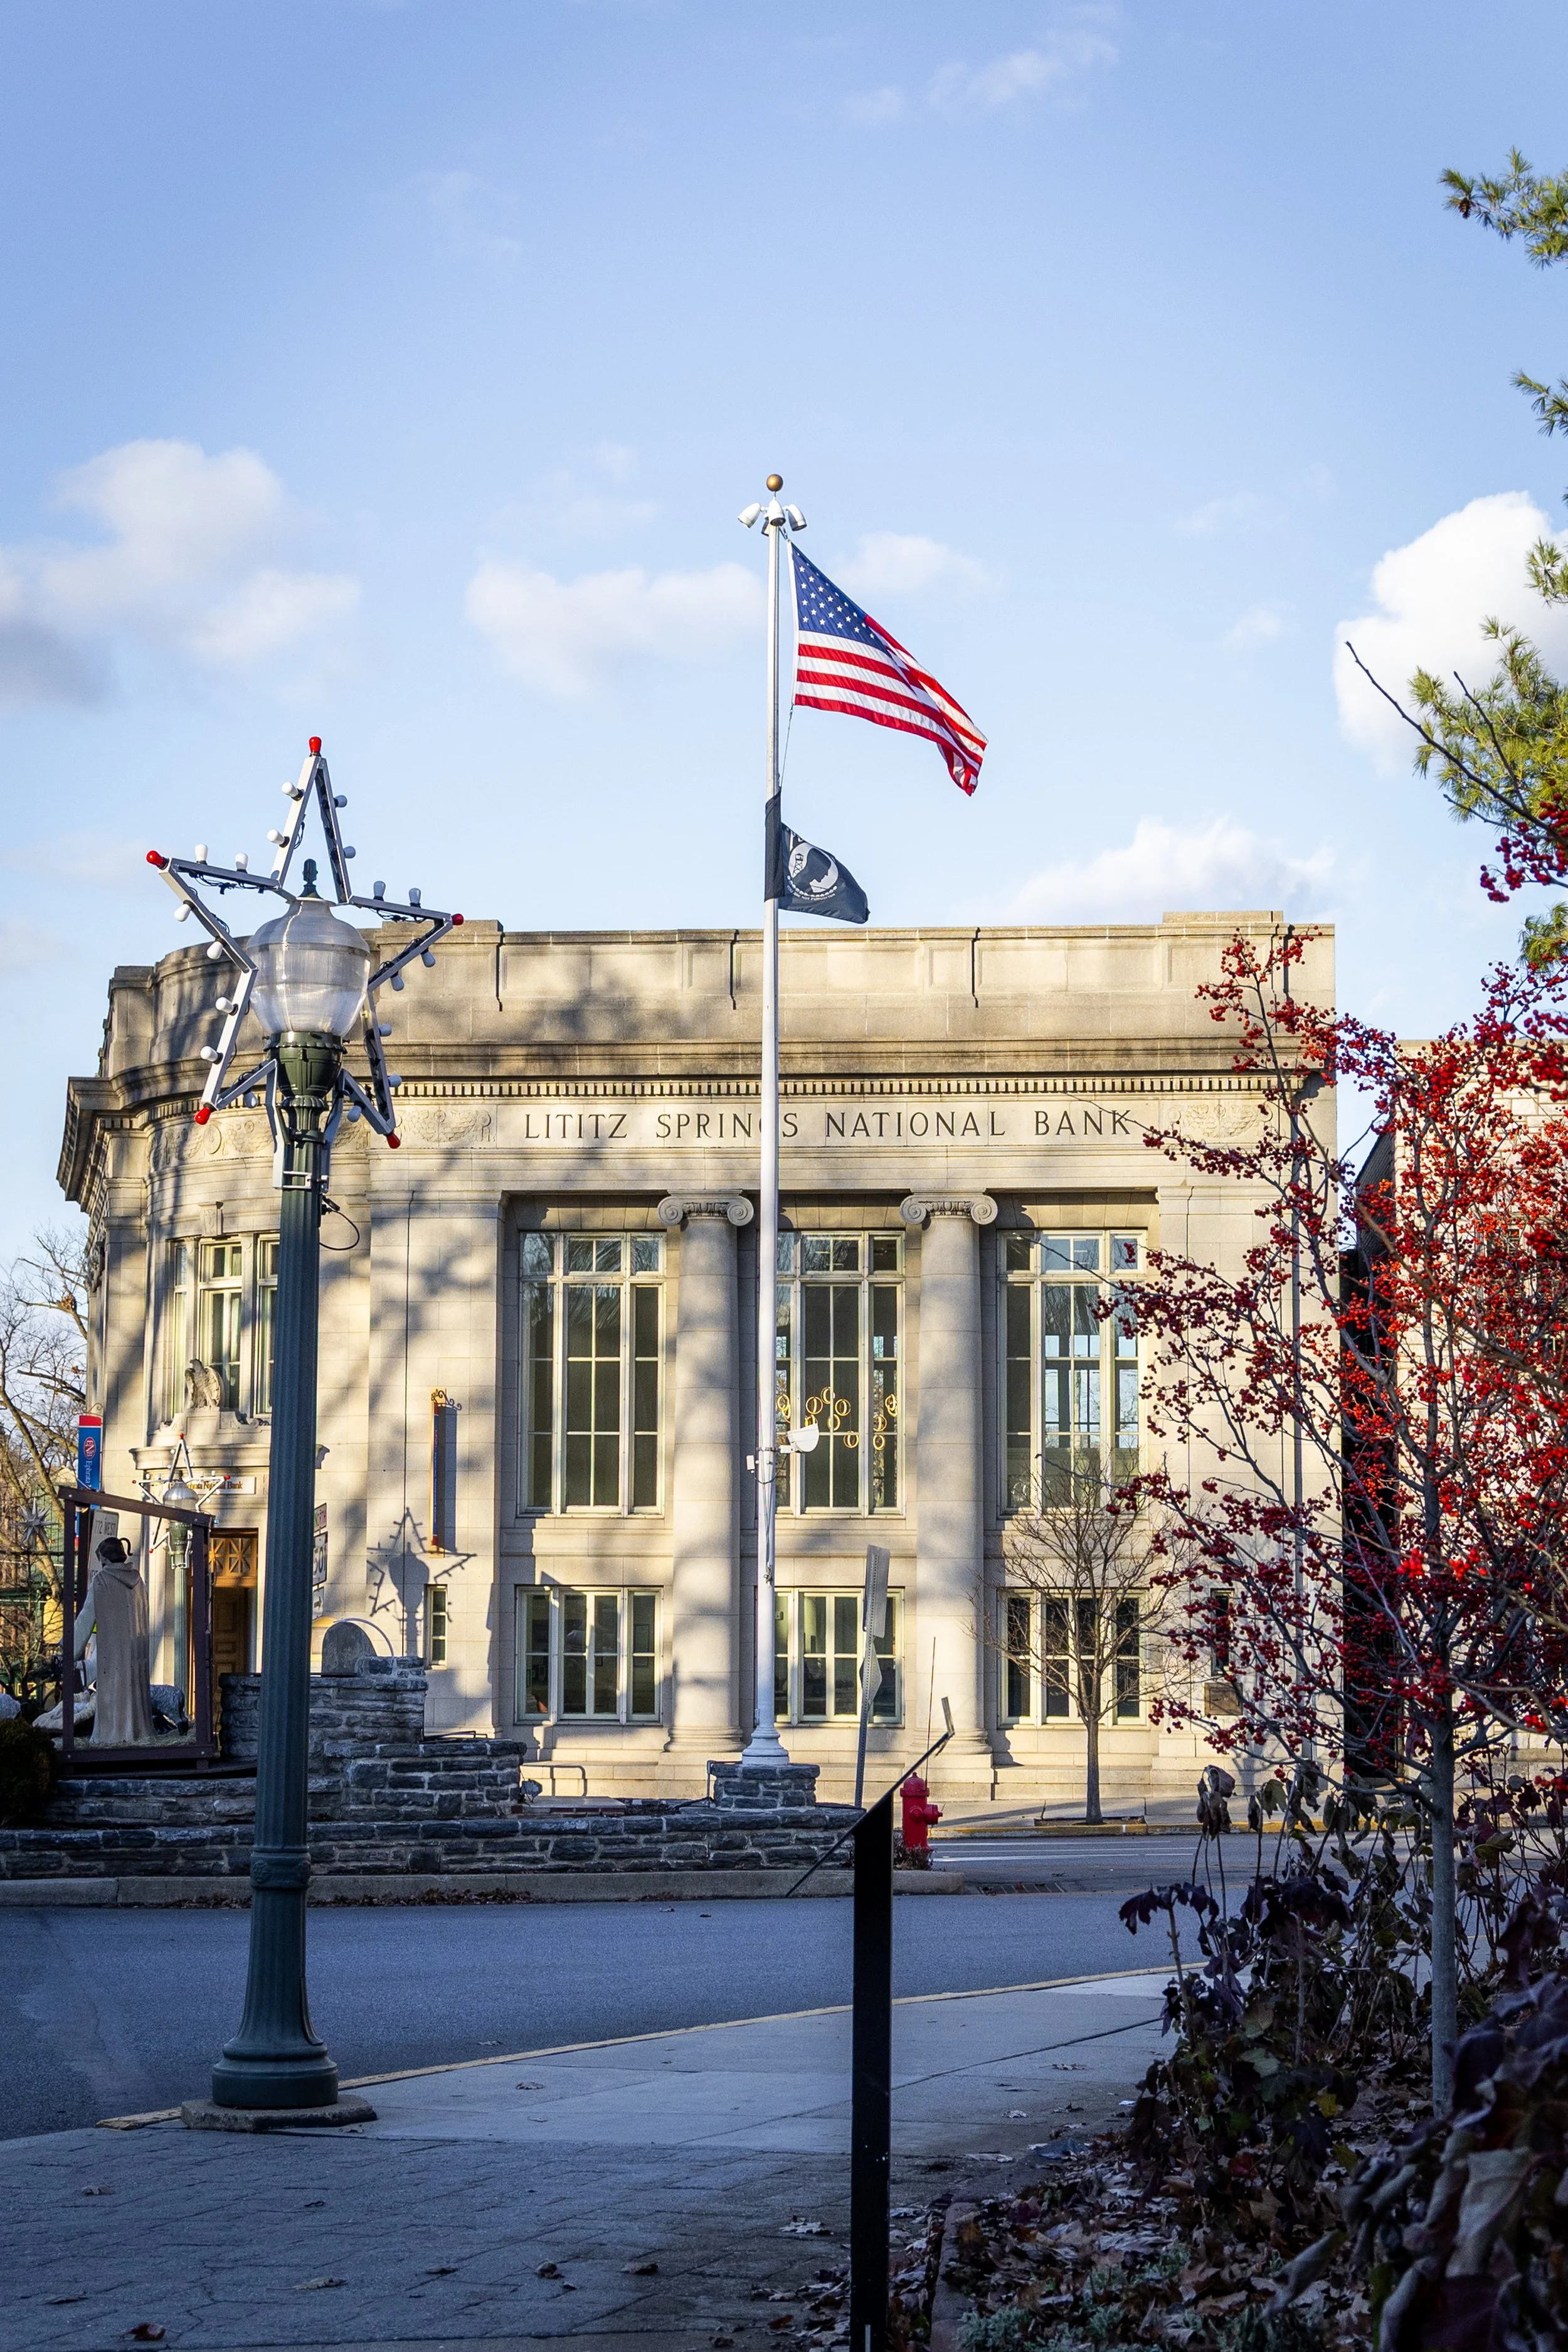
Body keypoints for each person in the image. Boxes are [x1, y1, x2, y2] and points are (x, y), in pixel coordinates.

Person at [75, 1533, 155, 1745]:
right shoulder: (138, 1580)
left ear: (106, 1559)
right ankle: (137, 1733)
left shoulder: (102, 1580)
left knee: (112, 1695)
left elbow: (86, 1617)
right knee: (134, 1692)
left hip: (112, 1651)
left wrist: (70, 1649)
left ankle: (112, 1737)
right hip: (135, 1651)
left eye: (101, 1560)